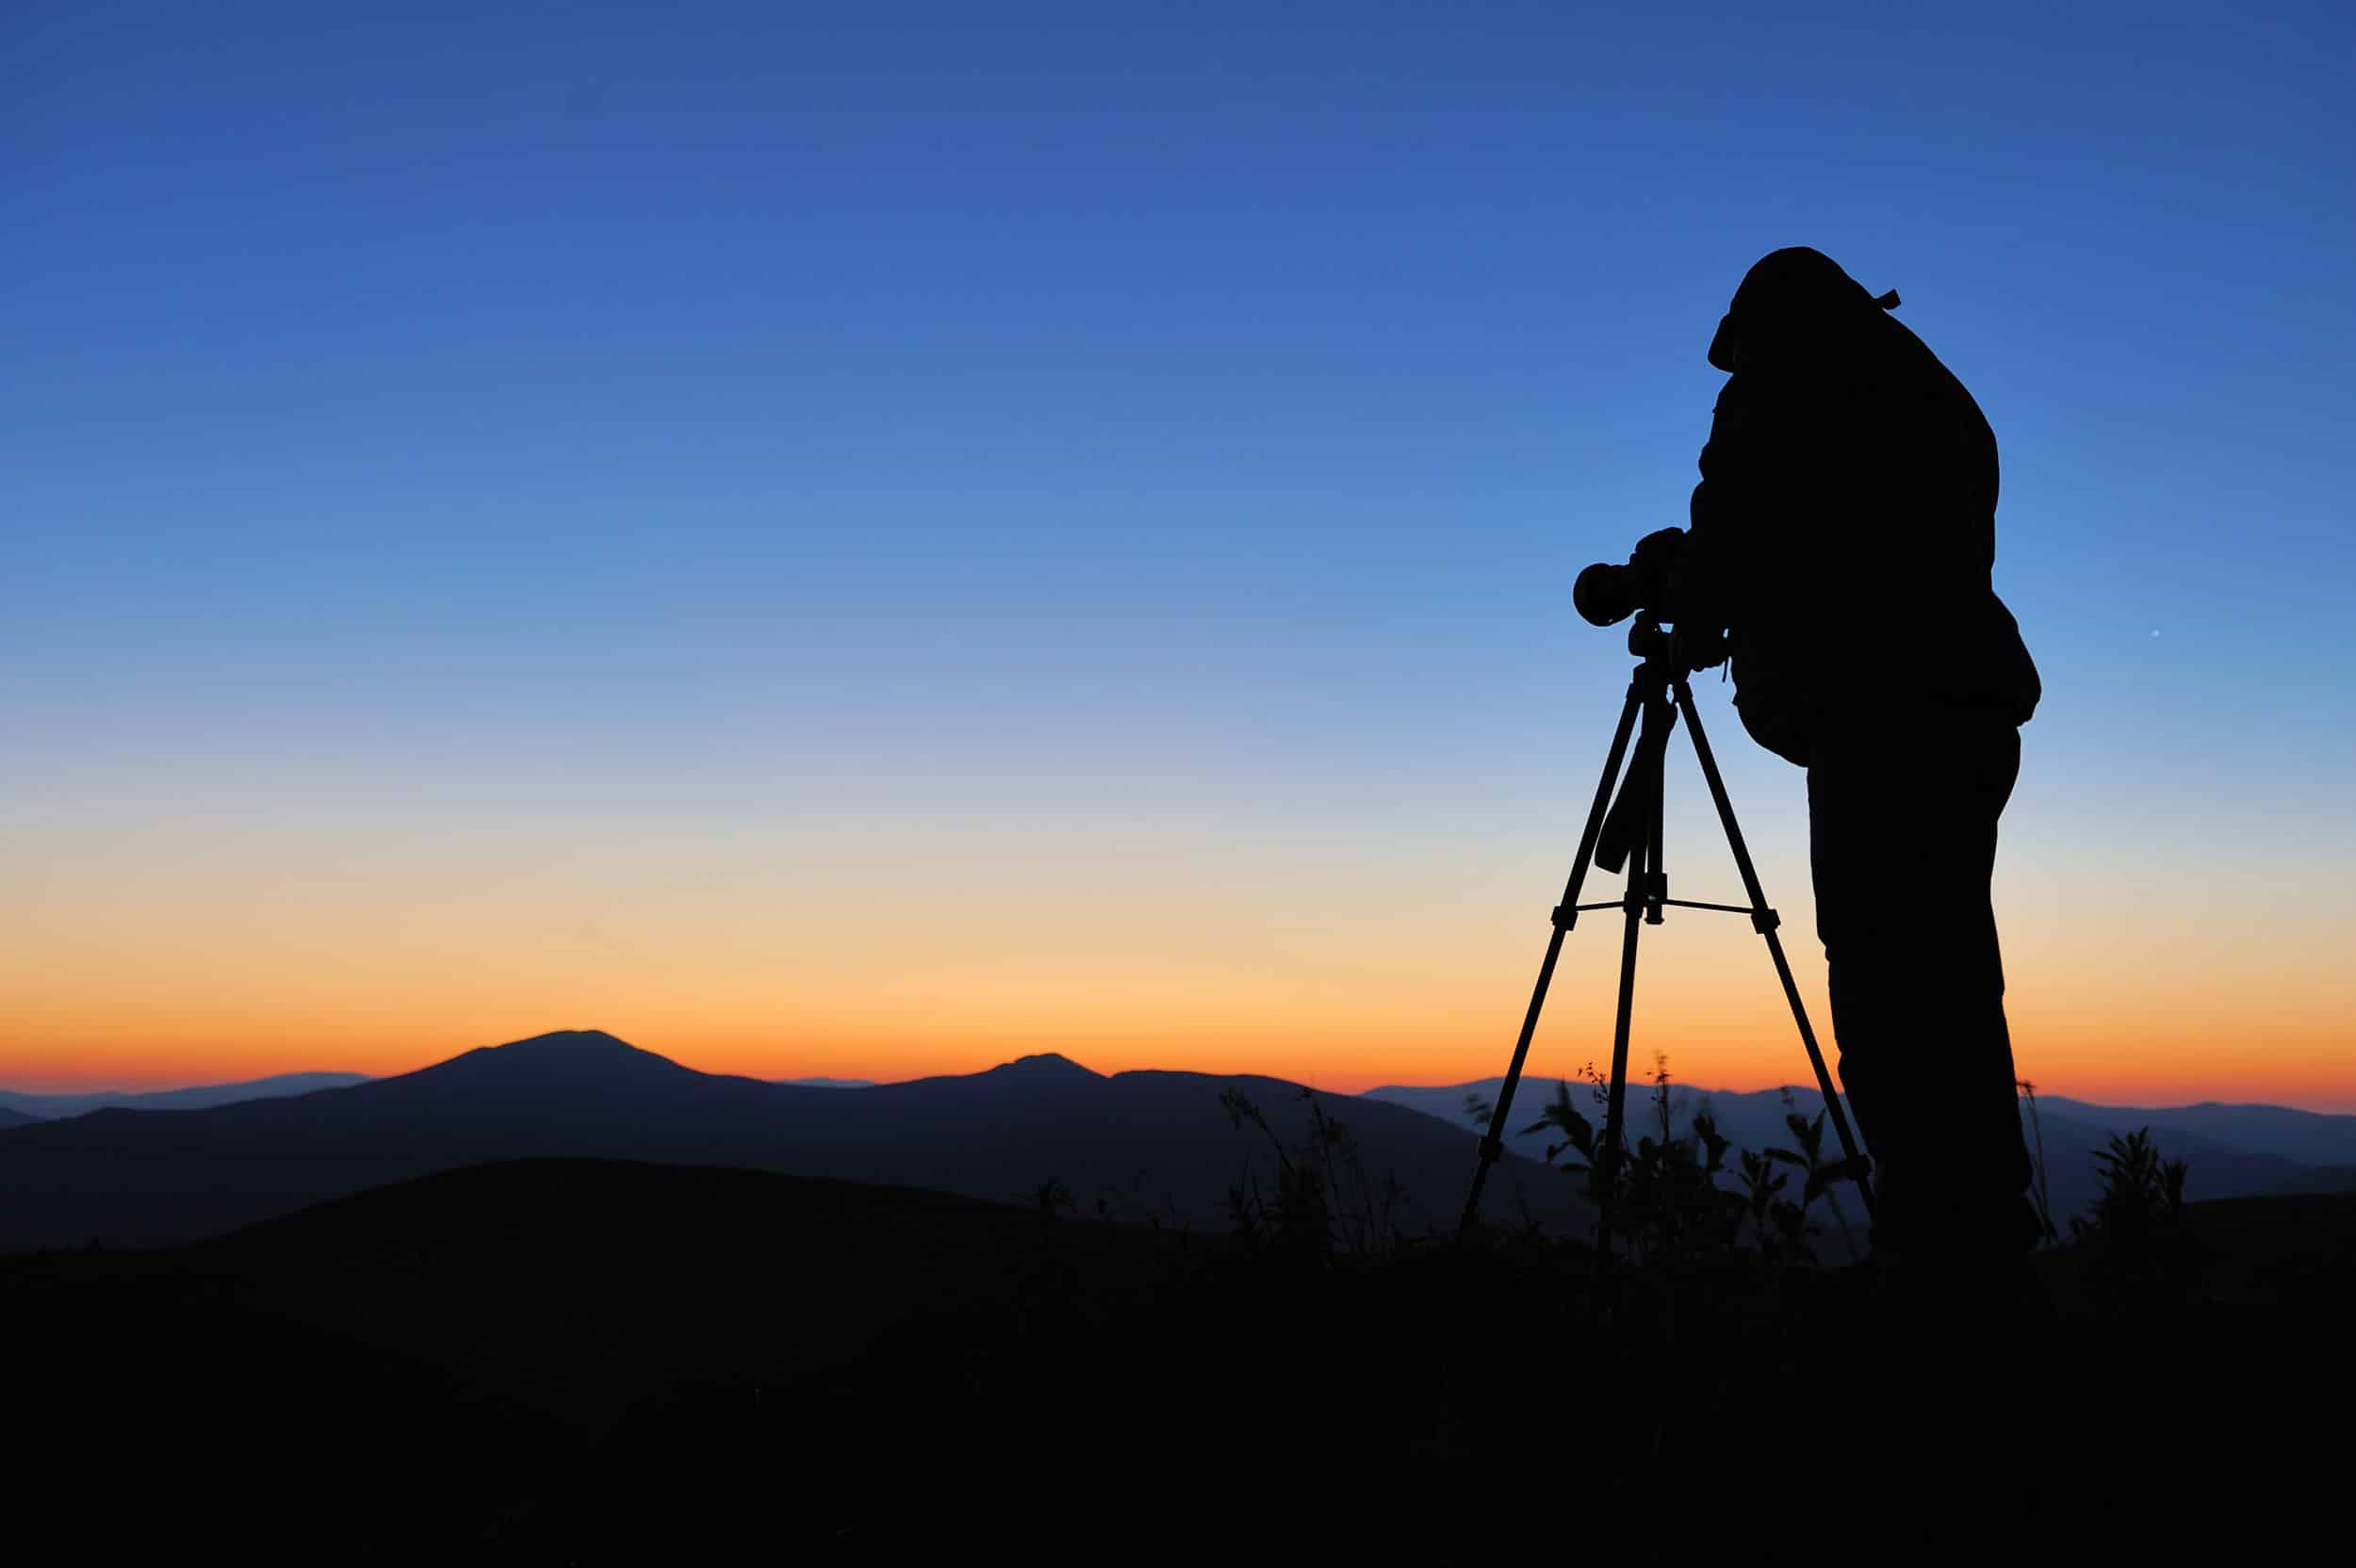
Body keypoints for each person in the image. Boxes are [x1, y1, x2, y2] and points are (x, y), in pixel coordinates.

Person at [1678, 247, 2044, 1266]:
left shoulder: (1788, 389)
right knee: (1948, 979)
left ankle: (1935, 1249)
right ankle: (1981, 1233)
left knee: (1888, 987)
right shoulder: (1928, 392)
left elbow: (1740, 533)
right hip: (1963, 714)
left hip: (1881, 720)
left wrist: (1695, 587)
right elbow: (1847, 542)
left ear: (1764, 335)